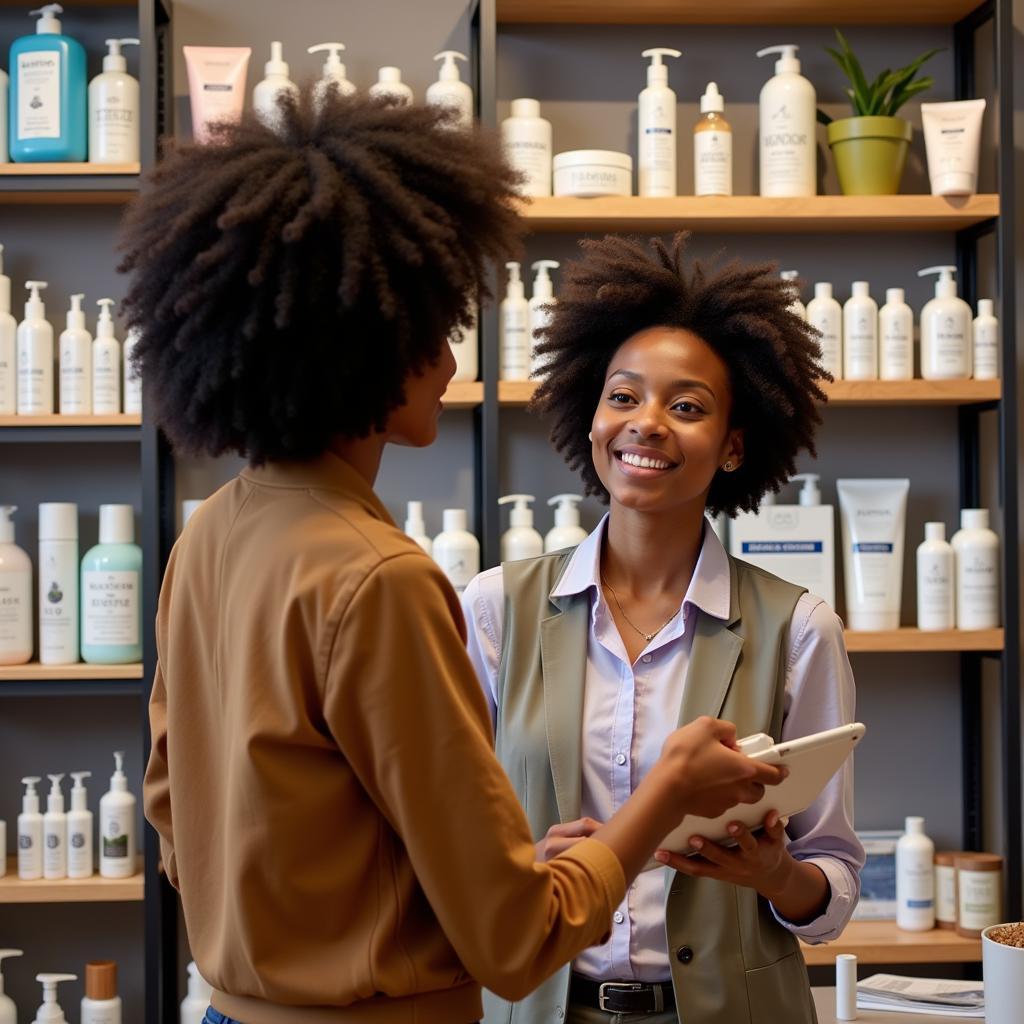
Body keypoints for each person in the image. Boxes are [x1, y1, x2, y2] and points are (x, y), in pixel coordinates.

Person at [126, 91, 787, 1024]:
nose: (447, 361)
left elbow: (175, 817)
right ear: (369, 346)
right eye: (432, 330)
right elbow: (518, 944)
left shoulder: (210, 533)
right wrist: (670, 790)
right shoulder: (379, 579)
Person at [462, 234, 866, 1024]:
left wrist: (776, 874)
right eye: (623, 397)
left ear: (733, 446)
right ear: (590, 421)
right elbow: (445, 843)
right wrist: (516, 866)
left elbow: (833, 885)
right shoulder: (493, 608)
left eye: (686, 407)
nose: (646, 424)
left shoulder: (799, 628)